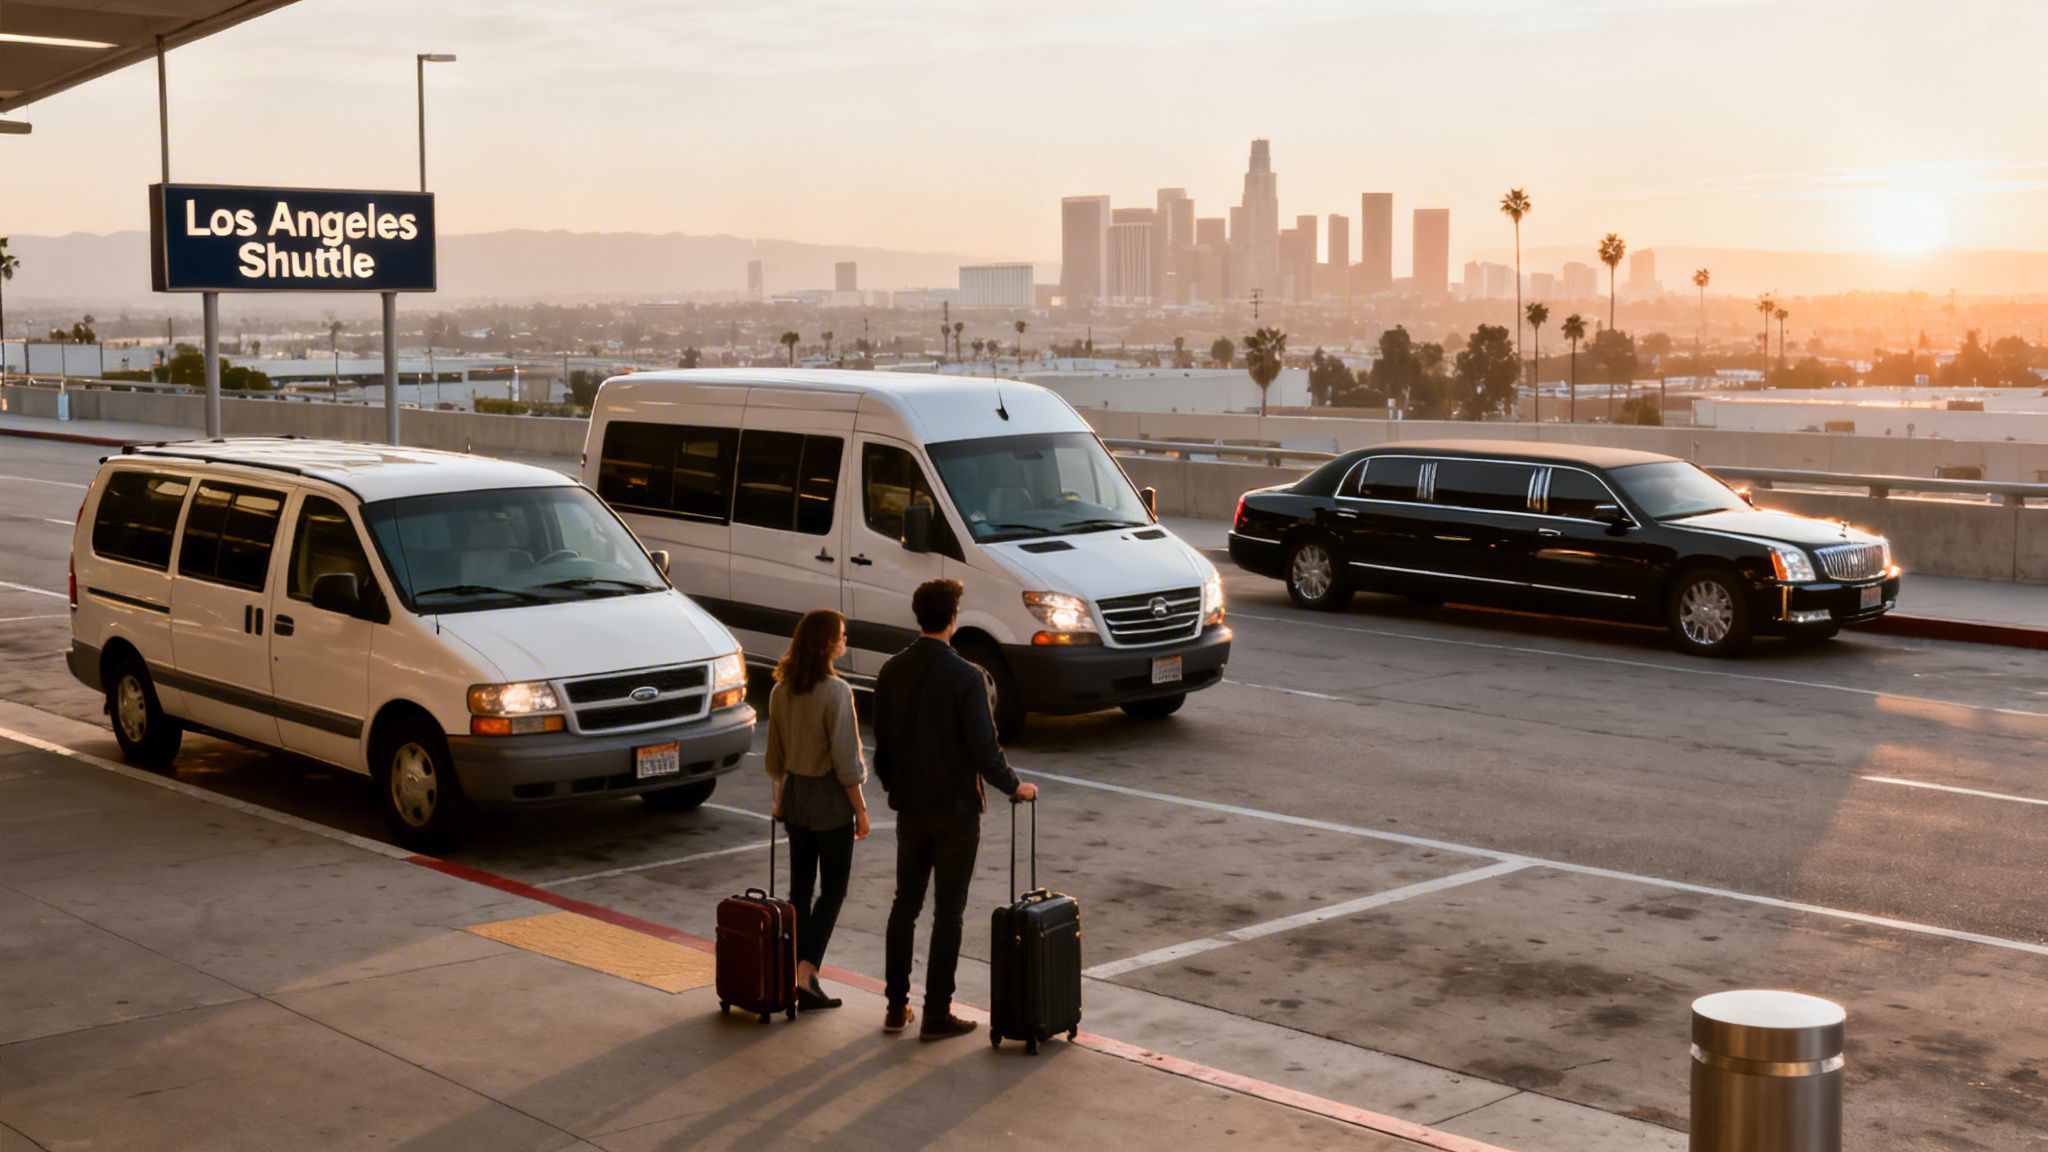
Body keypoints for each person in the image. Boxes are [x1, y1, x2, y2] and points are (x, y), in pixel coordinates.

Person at [872, 578, 1038, 1040]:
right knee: (949, 911)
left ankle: (894, 1005)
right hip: (957, 811)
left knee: (905, 905)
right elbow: (985, 751)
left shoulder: (891, 671)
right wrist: (1014, 787)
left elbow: (882, 745)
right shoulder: (966, 676)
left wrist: (895, 787)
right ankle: (936, 1012)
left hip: (911, 808)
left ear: (918, 615)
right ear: (952, 618)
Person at [764, 608, 871, 1013]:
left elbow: (775, 755)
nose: (845, 640)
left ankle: (792, 971)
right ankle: (807, 970)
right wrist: (860, 809)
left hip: (794, 797)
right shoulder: (836, 692)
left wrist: (779, 799)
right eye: (842, 635)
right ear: (828, 643)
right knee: (835, 888)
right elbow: (846, 762)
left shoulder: (780, 690)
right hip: (829, 800)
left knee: (799, 890)